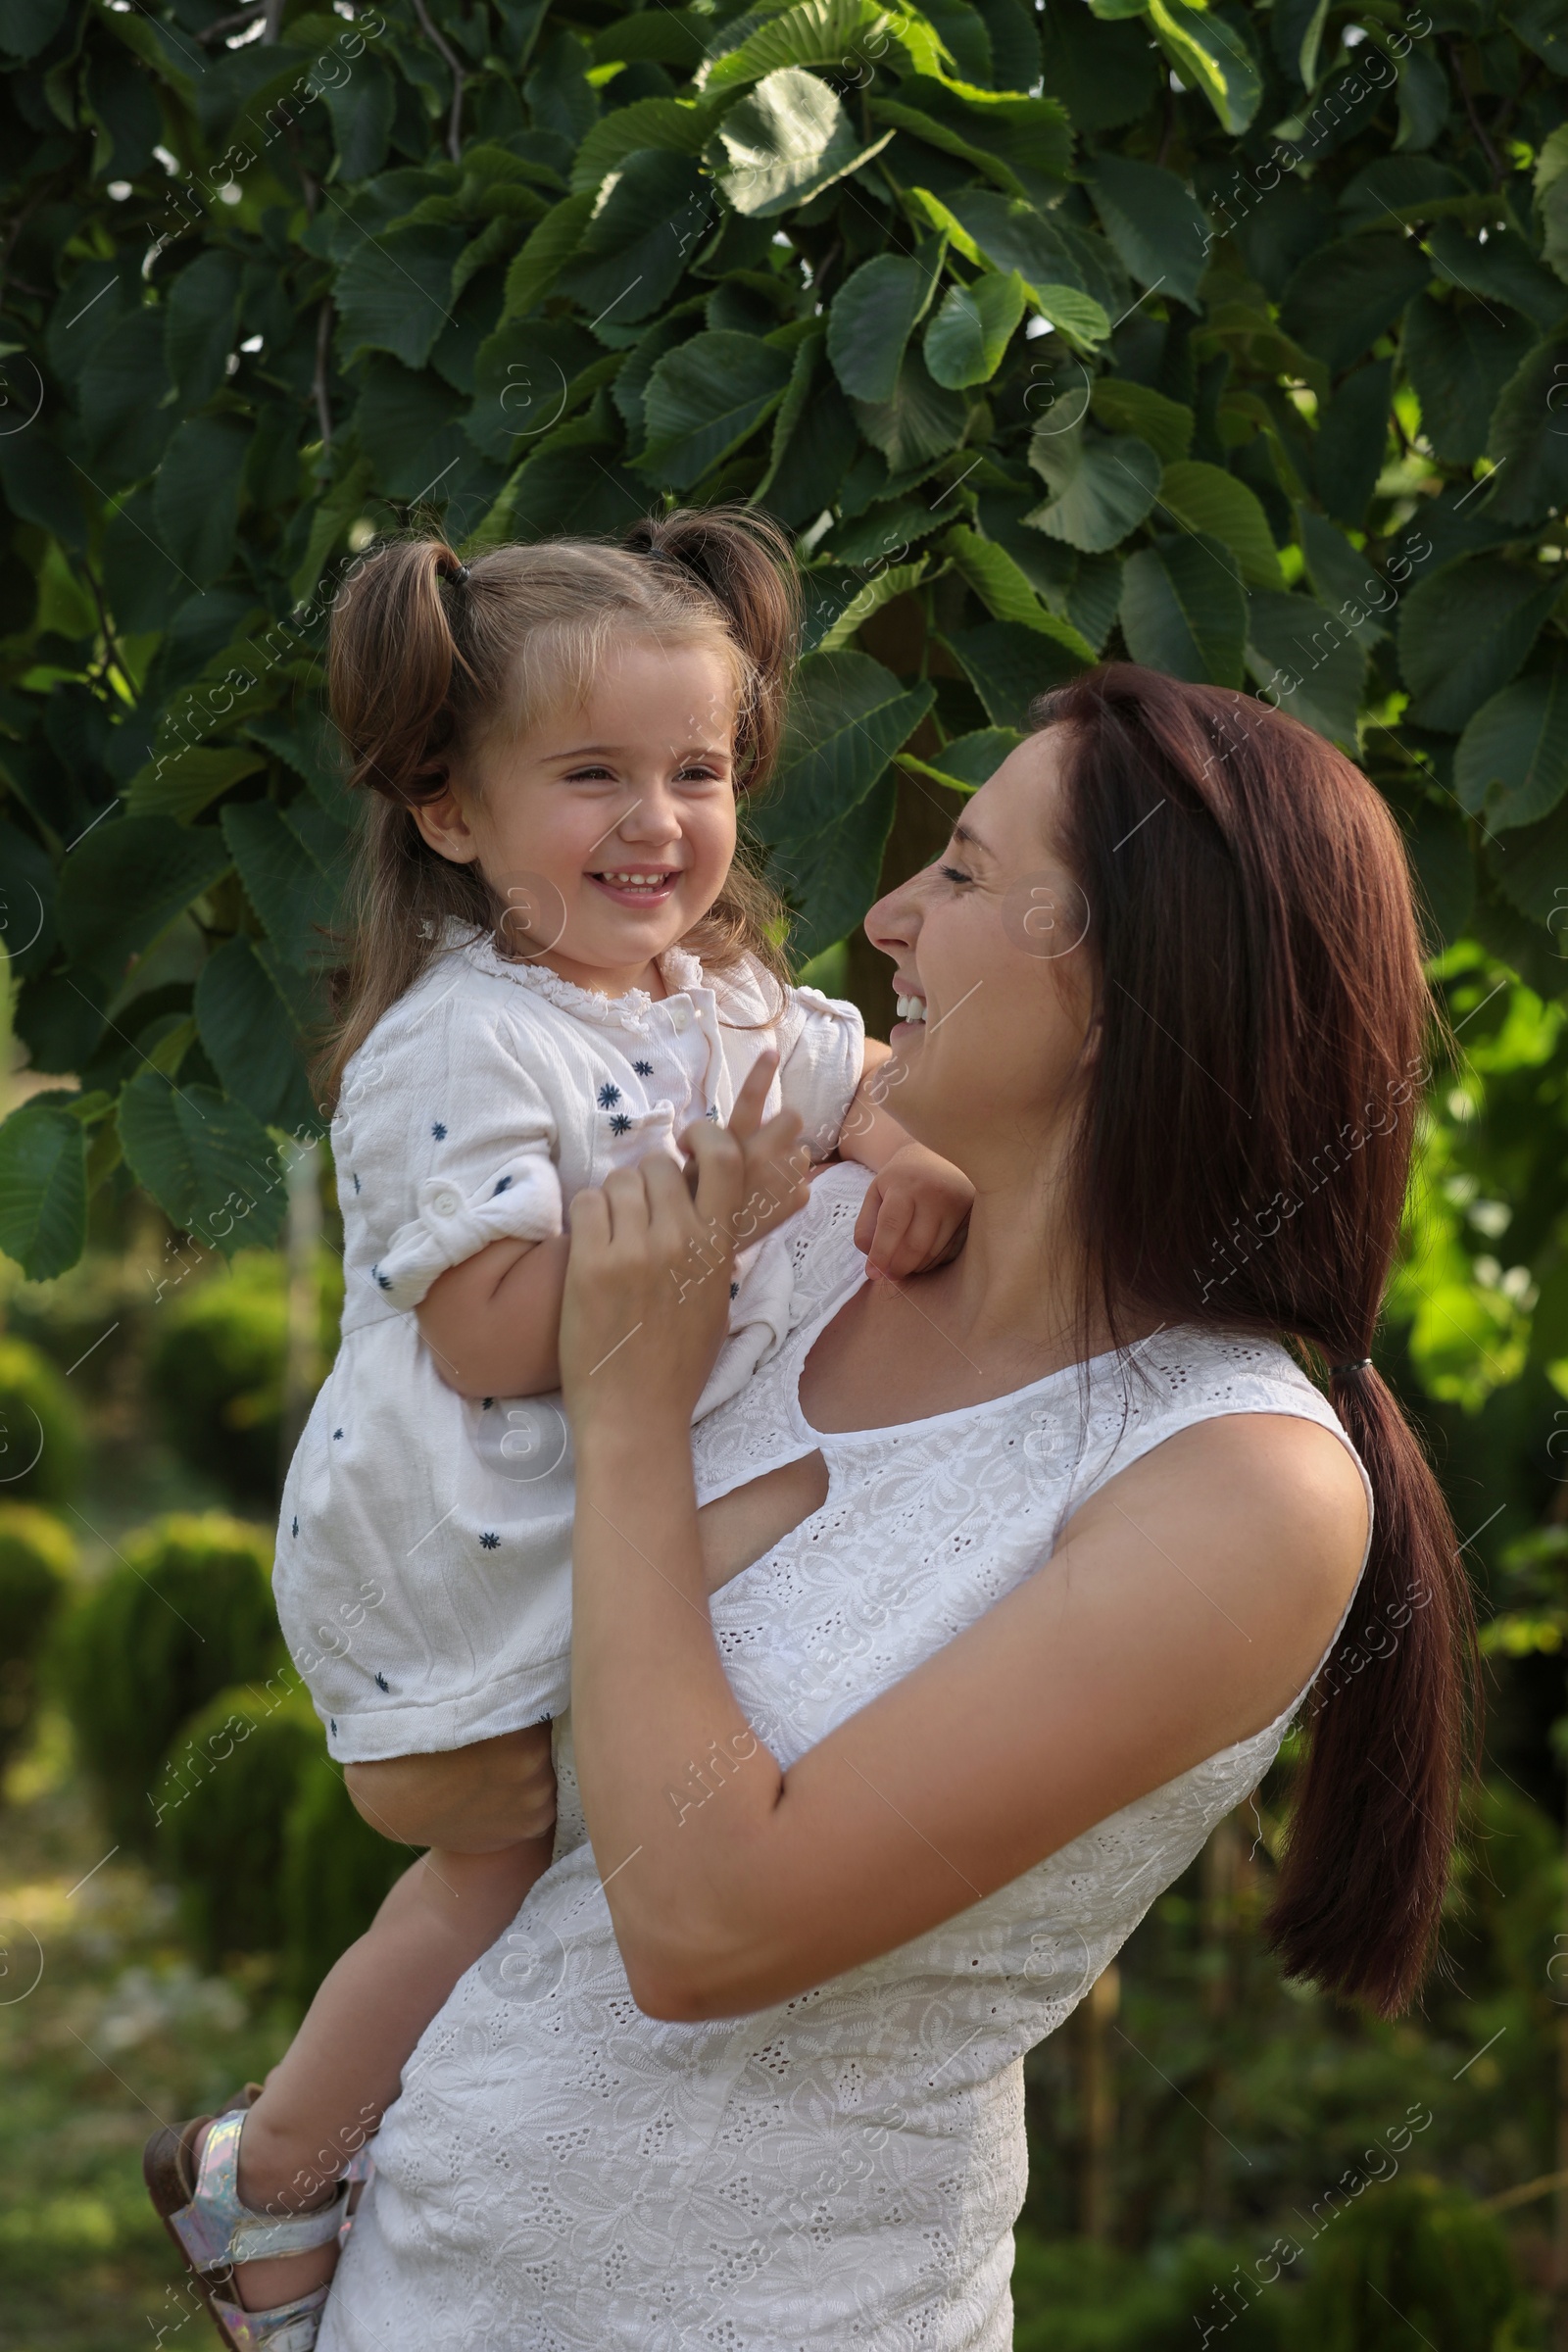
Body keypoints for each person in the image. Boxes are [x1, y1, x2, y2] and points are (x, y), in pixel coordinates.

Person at [308, 662, 1475, 2351]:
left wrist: (631, 1414)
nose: (881, 917)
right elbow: (471, 1654)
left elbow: (705, 1928)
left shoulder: (1244, 1488)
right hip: (419, 2277)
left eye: (967, 875)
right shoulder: (797, 1257)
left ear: (1132, 980)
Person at [143, 510, 973, 2351]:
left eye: (697, 771)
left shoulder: (730, 1002)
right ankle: (264, 2175)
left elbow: (870, 1095)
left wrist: (901, 1164)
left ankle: (451, 2186)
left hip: (602, 1525)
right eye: (592, 776)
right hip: (454, 1554)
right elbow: (504, 1335)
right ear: (451, 813)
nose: (657, 822)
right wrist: (724, 1216)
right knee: (489, 1871)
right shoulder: (463, 1048)